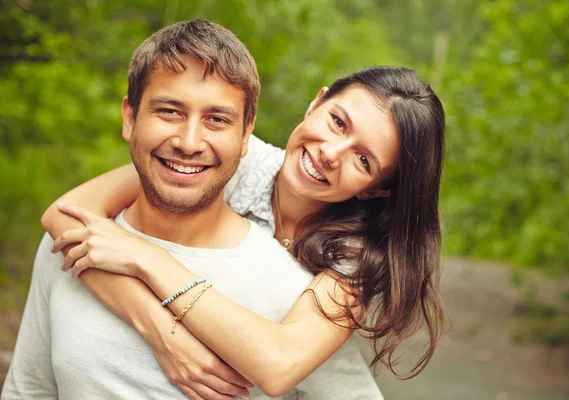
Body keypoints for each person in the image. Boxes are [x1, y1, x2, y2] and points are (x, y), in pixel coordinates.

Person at [38, 25, 446, 400]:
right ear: (316, 102)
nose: (329, 153)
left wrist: (147, 258)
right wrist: (161, 329)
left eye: (363, 160)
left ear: (378, 188)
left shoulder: (356, 257)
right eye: (338, 122)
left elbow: (279, 365)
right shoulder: (227, 161)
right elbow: (65, 216)